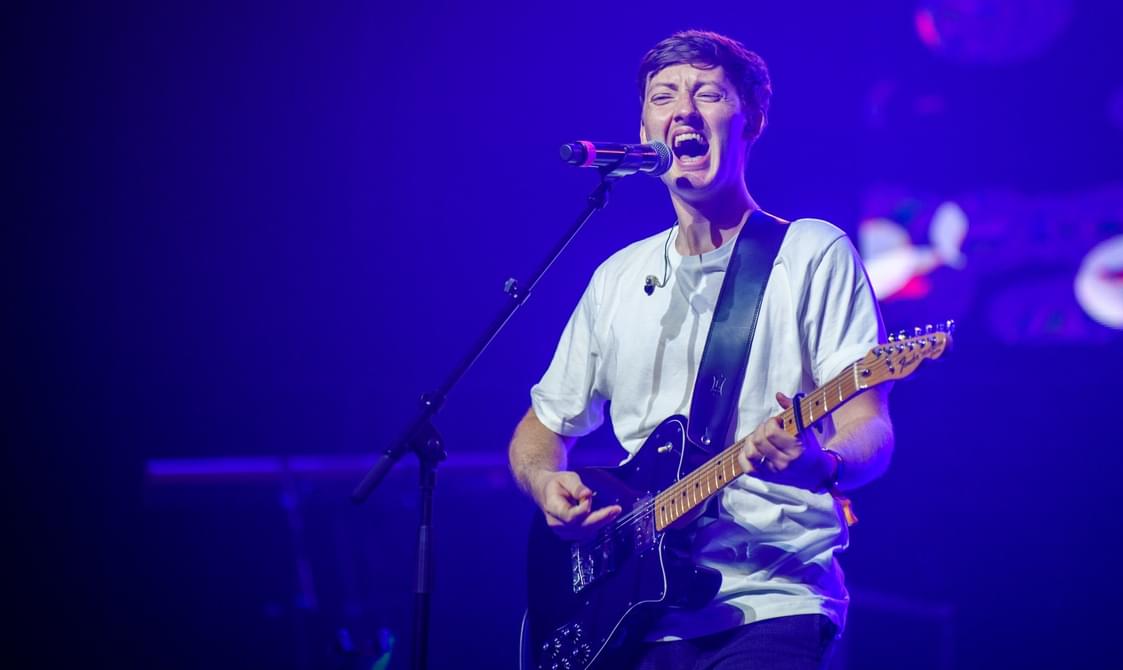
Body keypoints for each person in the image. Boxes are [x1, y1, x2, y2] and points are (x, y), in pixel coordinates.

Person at [508, 30, 894, 669]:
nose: (683, 110)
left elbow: (870, 427)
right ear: (646, 127)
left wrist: (818, 464)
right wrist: (547, 483)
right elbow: (539, 429)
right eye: (664, 96)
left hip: (770, 601)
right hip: (629, 615)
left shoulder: (811, 254)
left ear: (752, 121)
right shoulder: (618, 278)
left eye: (708, 94)